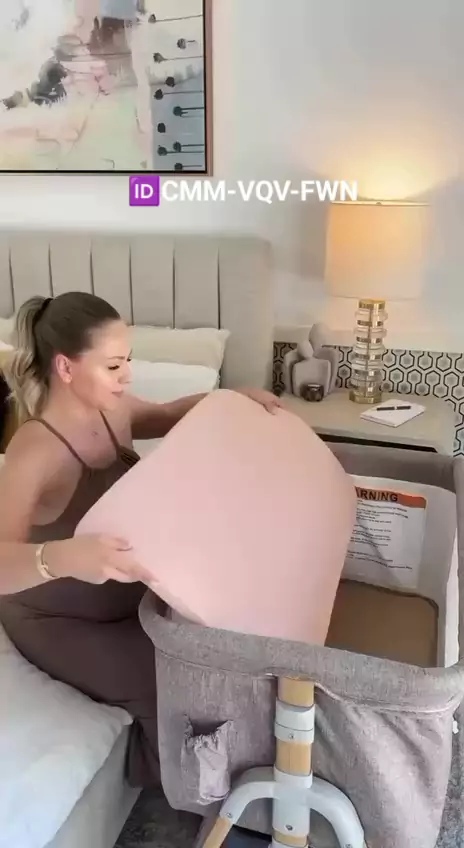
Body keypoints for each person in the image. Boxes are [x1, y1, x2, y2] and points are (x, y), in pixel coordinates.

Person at [0, 292, 281, 787]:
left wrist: (231, 399)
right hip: (58, 619)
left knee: (230, 655)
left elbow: (171, 413)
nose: (127, 375)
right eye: (113, 366)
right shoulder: (35, 450)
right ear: (65, 367)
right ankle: (171, 791)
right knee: (180, 686)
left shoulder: (115, 410)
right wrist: (59, 557)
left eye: (128, 360)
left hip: (131, 599)